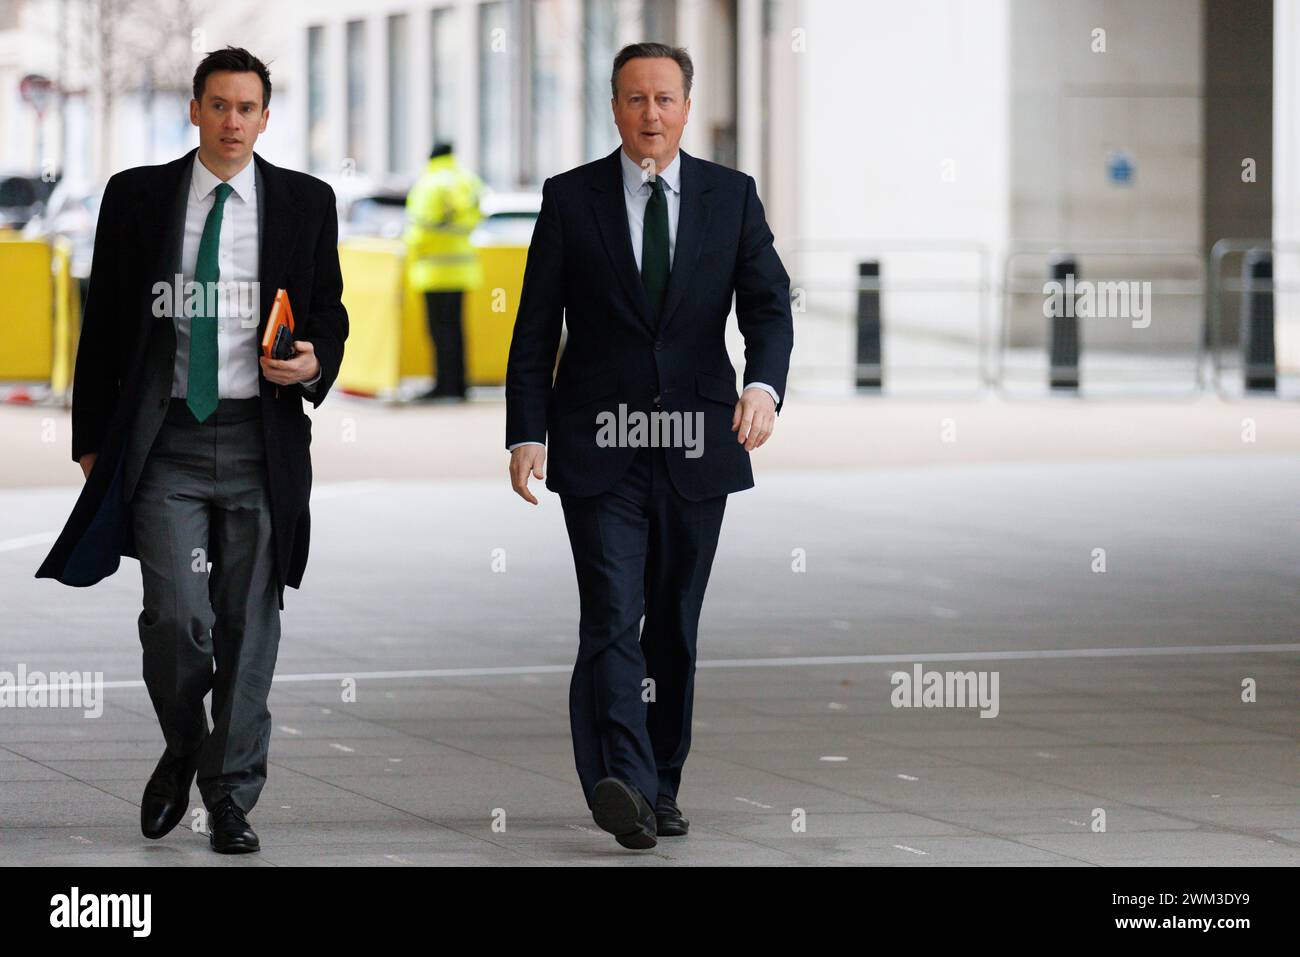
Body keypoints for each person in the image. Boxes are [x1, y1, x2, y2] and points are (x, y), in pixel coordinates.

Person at [35, 47, 348, 854]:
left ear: (266, 117)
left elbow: (329, 312)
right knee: (176, 618)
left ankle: (231, 793)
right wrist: (92, 441)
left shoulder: (306, 202)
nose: (233, 121)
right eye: (219, 105)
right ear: (195, 110)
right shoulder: (138, 197)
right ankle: (185, 740)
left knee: (251, 625)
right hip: (164, 439)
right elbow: (103, 321)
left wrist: (315, 361)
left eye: (247, 108)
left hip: (261, 440)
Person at [505, 42, 794, 849]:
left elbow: (769, 307)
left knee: (672, 625)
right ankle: (623, 782)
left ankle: (662, 781)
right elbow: (535, 328)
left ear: (687, 106)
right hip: (598, 444)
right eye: (635, 99)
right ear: (615, 107)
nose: (651, 114)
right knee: (609, 613)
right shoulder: (571, 199)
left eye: (664, 98)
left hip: (699, 441)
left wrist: (763, 387)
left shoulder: (730, 198)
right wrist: (527, 431)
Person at [404, 142, 484, 401]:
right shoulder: (468, 181)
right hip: (462, 269)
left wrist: (412, 249)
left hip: (434, 272)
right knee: (457, 330)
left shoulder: (429, 184)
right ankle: (460, 384)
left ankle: (443, 385)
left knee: (439, 332)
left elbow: (419, 229)